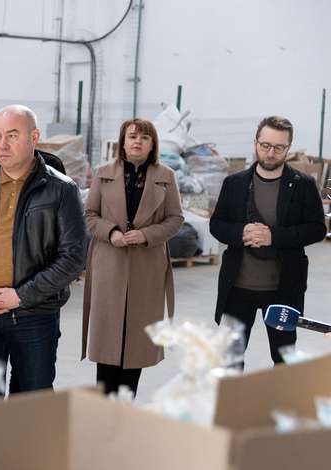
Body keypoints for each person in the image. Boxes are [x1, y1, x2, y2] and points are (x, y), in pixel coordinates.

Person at [0, 105, 85, 394]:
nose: (2, 144)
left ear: (34, 137)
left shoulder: (61, 190)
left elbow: (73, 257)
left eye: (12, 135)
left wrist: (21, 296)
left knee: (30, 403)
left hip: (34, 316)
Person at [209, 116, 328, 365]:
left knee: (283, 359)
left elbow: (317, 229)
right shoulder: (234, 183)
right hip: (238, 287)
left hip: (283, 287)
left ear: (288, 148)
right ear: (255, 143)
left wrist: (275, 236)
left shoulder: (303, 185)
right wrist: (241, 232)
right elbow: (217, 225)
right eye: (265, 145)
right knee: (230, 360)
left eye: (279, 147)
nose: (271, 153)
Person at [81, 118, 184, 396]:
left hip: (146, 267)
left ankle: (126, 404)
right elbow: (90, 215)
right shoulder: (103, 174)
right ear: (123, 142)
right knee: (107, 339)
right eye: (132, 136)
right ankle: (104, 406)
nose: (138, 141)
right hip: (110, 265)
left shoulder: (166, 176)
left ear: (153, 144)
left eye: (144, 137)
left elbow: (175, 219)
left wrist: (146, 234)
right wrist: (111, 232)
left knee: (136, 343)